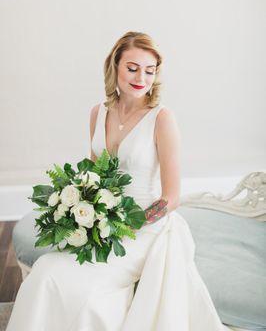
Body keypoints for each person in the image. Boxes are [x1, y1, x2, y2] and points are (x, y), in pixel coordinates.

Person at [7, 31, 227, 330]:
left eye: (149, 71)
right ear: (115, 66)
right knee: (45, 271)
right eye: (132, 68)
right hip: (103, 224)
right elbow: (95, 178)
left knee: (85, 290)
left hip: (144, 232)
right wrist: (84, 216)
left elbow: (171, 197)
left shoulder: (161, 118)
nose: (141, 78)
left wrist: (126, 225)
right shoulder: (99, 113)